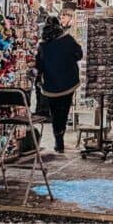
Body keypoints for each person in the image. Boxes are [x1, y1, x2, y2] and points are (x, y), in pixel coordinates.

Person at [36, 16, 83, 153]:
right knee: (64, 109)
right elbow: (79, 54)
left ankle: (58, 139)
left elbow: (39, 65)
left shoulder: (42, 45)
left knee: (55, 112)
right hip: (68, 82)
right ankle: (60, 135)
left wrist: (39, 79)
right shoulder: (68, 40)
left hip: (50, 85)